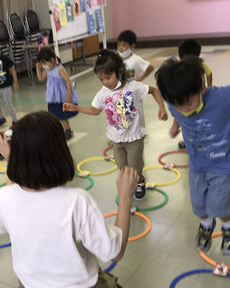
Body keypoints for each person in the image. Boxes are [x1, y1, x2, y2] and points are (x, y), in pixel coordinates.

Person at [0, 111, 139, 288]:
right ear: (60, 152)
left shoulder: (3, 197)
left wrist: (14, 165)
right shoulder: (77, 201)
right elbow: (114, 252)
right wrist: (125, 196)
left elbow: (0, 226)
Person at [155, 52, 230, 255]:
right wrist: (176, 125)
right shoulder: (176, 104)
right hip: (198, 165)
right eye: (177, 105)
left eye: (188, 104)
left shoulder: (223, 97)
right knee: (199, 206)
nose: (183, 109)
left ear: (201, 87)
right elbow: (178, 113)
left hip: (225, 165)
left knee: (220, 207)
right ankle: (206, 225)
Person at [64, 50, 167, 200]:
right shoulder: (103, 93)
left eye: (108, 77)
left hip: (134, 136)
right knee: (122, 167)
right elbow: (95, 110)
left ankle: (139, 180)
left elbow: (154, 90)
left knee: (134, 167)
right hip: (116, 138)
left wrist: (162, 108)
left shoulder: (133, 87)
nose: (105, 82)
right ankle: (132, 180)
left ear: (119, 72)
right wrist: (76, 107)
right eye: (101, 79)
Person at [172, 39, 214, 149]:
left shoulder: (201, 64)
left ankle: (202, 139)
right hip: (187, 96)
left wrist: (209, 88)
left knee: (199, 119)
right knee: (187, 119)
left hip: (199, 96)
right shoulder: (181, 66)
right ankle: (188, 140)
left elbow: (209, 73)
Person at [36, 47, 79, 140]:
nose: (44, 65)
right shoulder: (47, 69)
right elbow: (40, 79)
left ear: (52, 60)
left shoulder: (60, 69)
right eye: (42, 64)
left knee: (62, 116)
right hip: (52, 97)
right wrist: (38, 68)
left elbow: (68, 81)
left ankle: (68, 131)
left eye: (44, 63)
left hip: (61, 96)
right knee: (53, 115)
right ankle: (57, 131)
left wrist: (68, 95)